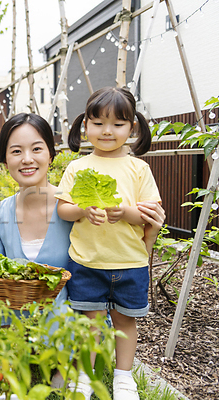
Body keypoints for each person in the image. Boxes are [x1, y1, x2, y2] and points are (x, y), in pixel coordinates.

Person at [0, 112, 164, 392]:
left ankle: (70, 365)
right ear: (5, 161)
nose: (27, 159)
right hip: (15, 317)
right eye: (16, 151)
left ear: (51, 156)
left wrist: (150, 234)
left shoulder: (79, 208)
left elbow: (116, 256)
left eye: (37, 149)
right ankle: (18, 357)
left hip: (68, 319)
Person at [56, 87, 162, 400]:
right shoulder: (77, 167)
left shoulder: (138, 168)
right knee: (90, 323)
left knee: (126, 322)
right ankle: (86, 377)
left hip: (130, 261)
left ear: (132, 128)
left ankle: (124, 378)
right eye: (99, 123)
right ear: (85, 125)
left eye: (118, 124)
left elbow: (150, 213)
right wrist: (83, 210)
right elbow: (63, 209)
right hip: (88, 261)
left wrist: (125, 212)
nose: (107, 131)